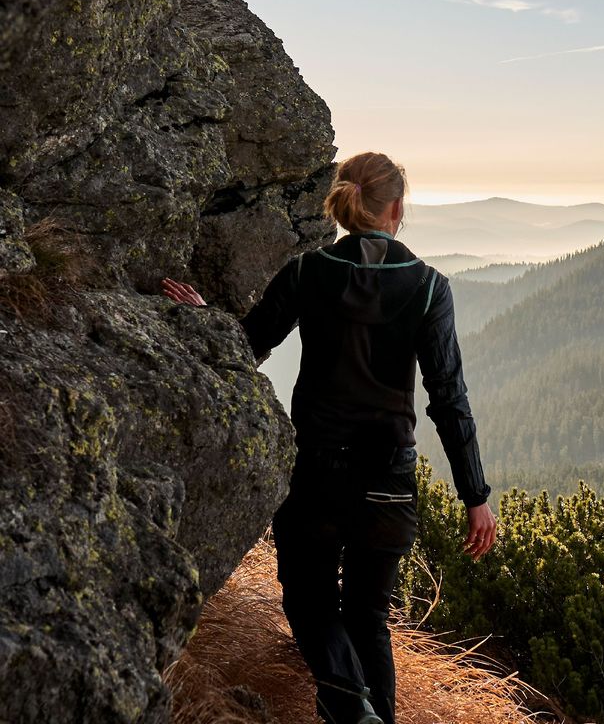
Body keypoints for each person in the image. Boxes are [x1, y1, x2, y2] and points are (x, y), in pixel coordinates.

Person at [162, 151, 497, 724]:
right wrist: (475, 495)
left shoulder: (305, 272)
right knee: (367, 616)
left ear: (343, 206)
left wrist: (202, 320)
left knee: (309, 599)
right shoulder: (429, 289)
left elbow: (248, 346)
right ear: (396, 209)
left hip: (315, 469)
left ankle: (346, 703)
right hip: (388, 476)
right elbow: (449, 398)